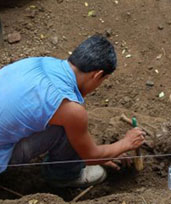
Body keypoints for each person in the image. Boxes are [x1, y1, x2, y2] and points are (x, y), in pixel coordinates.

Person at [0, 35, 145, 187]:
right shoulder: (69, 108)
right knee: (67, 128)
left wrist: (106, 151)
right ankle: (64, 176)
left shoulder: (42, 62)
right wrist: (126, 143)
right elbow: (90, 156)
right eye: (104, 79)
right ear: (97, 75)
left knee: (67, 123)